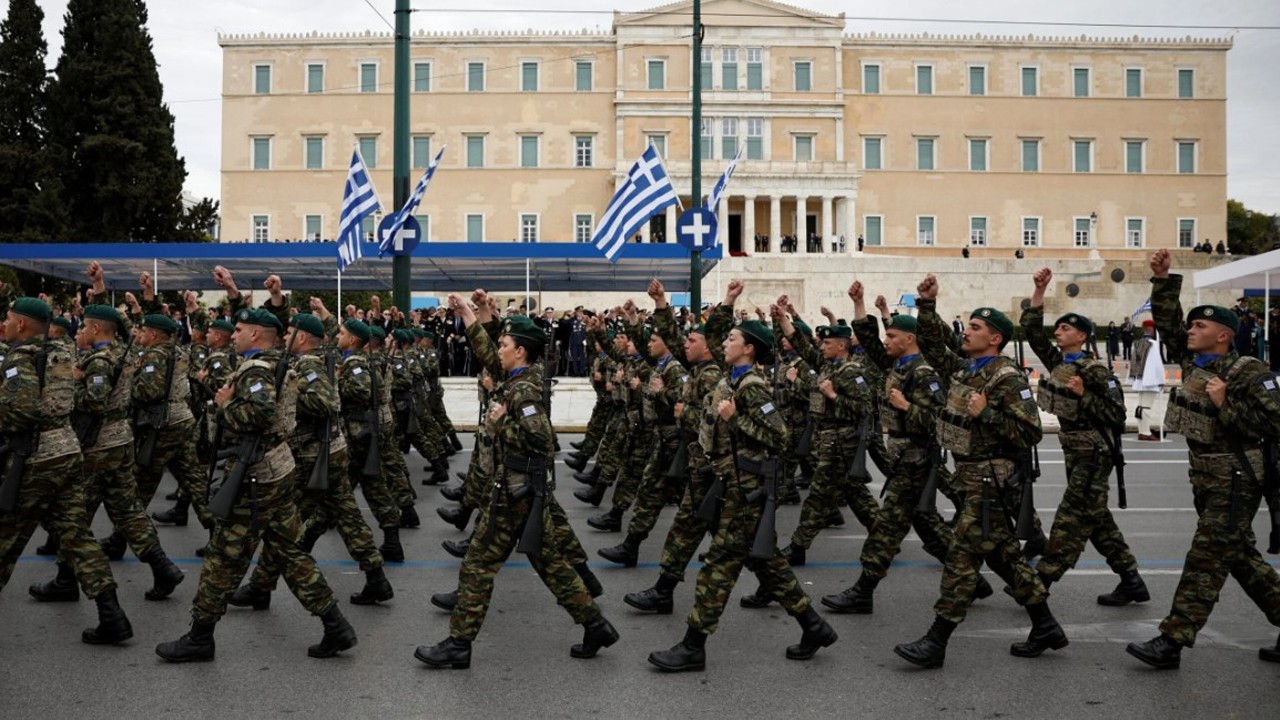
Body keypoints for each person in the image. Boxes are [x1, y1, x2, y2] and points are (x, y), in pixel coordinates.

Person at [415, 292, 618, 669]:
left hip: (514, 493)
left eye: (506, 344)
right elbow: (489, 356)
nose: (500, 349)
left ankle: (459, 644)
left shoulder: (523, 390)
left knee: (478, 566)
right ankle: (596, 625)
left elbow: (540, 438)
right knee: (551, 565)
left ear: (520, 352)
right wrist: (469, 316)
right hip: (518, 489)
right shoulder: (520, 376)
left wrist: (501, 422)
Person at [648, 282, 837, 672]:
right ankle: (813, 625)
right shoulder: (732, 376)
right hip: (730, 484)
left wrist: (737, 422)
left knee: (719, 567)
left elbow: (780, 437)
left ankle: (693, 645)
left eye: (733, 338)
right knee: (767, 564)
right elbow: (699, 337)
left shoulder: (751, 388)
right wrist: (668, 305)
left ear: (748, 348)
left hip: (747, 490)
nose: (725, 342)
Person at [155, 308, 357, 662]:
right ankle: (335, 624)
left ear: (256, 335)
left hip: (256, 476)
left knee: (223, 557)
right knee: (290, 553)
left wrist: (225, 406)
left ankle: (200, 636)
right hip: (275, 471)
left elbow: (260, 415)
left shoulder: (257, 369)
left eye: (239, 329)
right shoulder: (272, 363)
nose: (232, 335)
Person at [894, 274, 1066, 669]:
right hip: (971, 478)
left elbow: (1030, 432)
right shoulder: (966, 368)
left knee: (961, 560)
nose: (966, 332)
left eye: (974, 328)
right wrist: (926, 304)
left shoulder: (1006, 378)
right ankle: (1045, 624)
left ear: (994, 339)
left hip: (992, 481)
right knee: (1006, 557)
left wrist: (985, 413)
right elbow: (934, 344)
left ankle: (936, 641)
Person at [1126, 248, 1280, 669]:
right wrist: (1162, 279)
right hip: (1205, 476)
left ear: (1224, 335)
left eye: (1201, 325)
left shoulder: (1250, 371)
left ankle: (1171, 641)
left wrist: (1226, 403)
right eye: (1191, 325)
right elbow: (1170, 324)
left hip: (1237, 476)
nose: (1190, 331)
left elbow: (1275, 423)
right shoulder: (1195, 361)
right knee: (1241, 559)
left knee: (1206, 558)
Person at [823, 282, 988, 614]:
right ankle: (974, 581)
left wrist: (904, 407)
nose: (886, 341)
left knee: (885, 531)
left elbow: (936, 422)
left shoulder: (923, 374)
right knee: (931, 529)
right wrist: (859, 303)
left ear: (909, 340)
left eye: (893, 337)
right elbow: (868, 340)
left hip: (916, 464)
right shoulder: (897, 367)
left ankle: (863, 591)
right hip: (903, 463)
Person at [0, 294, 134, 646]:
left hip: (38, 457)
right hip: (69, 451)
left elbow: (22, 411)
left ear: (22, 324)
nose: (5, 323)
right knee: (77, 537)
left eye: (9, 318)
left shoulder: (19, 359)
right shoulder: (62, 354)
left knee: (6, 535)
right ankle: (112, 615)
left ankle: (112, 615)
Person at [1020, 269, 1149, 606]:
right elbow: (1033, 333)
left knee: (1071, 517)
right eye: (1059, 327)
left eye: (1066, 329)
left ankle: (1040, 583)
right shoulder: (1060, 363)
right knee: (1096, 519)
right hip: (1073, 451)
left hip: (1095, 453)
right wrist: (1039, 292)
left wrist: (1084, 397)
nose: (1058, 333)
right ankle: (1131, 580)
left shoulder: (1095, 371)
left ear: (1082, 336)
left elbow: (1117, 415)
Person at [1130, 319, 1166, 441]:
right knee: (1146, 407)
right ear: (1151, 329)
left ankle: (1142, 431)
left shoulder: (1138, 342)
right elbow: (1156, 364)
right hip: (1150, 379)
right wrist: (1161, 379)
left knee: (1140, 406)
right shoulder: (1153, 344)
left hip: (1140, 379)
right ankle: (1145, 432)